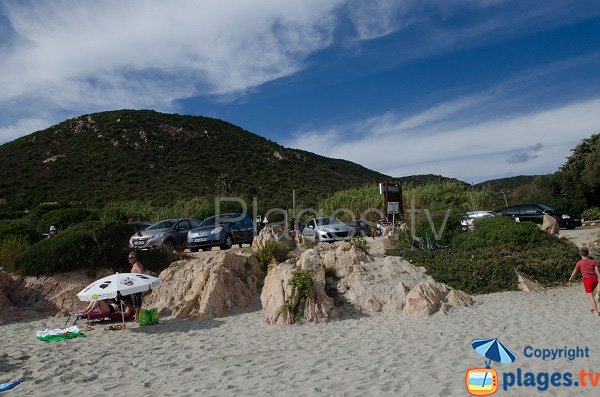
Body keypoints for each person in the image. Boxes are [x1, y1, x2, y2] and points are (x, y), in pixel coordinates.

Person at [569, 246, 600, 315]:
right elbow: (597, 272)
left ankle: (596, 311)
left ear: (580, 254)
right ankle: (592, 307)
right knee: (592, 293)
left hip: (587, 280)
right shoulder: (594, 262)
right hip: (595, 280)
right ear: (588, 253)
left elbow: (575, 271)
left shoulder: (579, 262)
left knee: (590, 296)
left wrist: (571, 278)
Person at [127, 251, 144, 321]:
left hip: (137, 286)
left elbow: (141, 273)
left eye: (131, 257)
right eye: (129, 258)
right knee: (135, 302)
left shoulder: (137, 265)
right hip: (135, 287)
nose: (129, 259)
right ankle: (137, 317)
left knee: (137, 302)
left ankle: (138, 317)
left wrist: (137, 281)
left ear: (135, 257)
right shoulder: (134, 266)